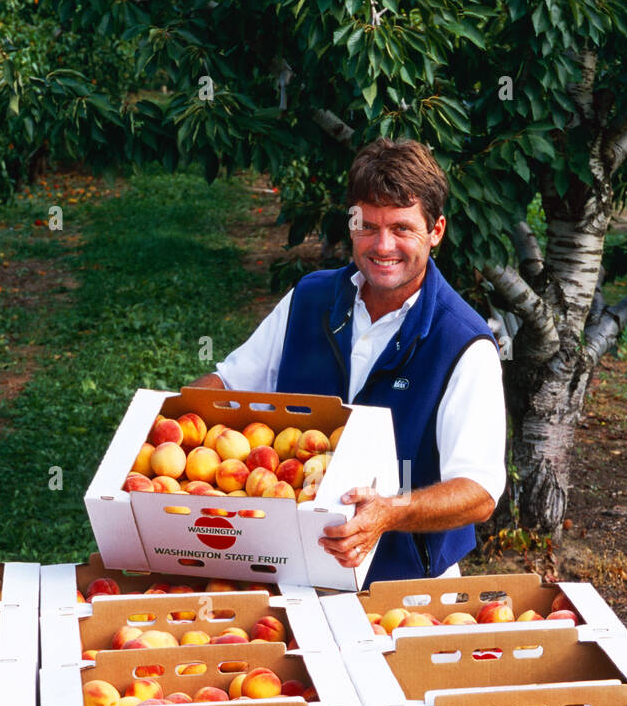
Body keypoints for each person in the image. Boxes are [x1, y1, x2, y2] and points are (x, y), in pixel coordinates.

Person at [194, 137, 507, 582]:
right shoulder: (310, 298)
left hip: (402, 589)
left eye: (402, 228)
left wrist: (390, 512)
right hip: (289, 566)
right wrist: (157, 431)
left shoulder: (461, 342)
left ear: (436, 230)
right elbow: (229, 385)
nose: (382, 246)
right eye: (368, 226)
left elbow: (479, 491)